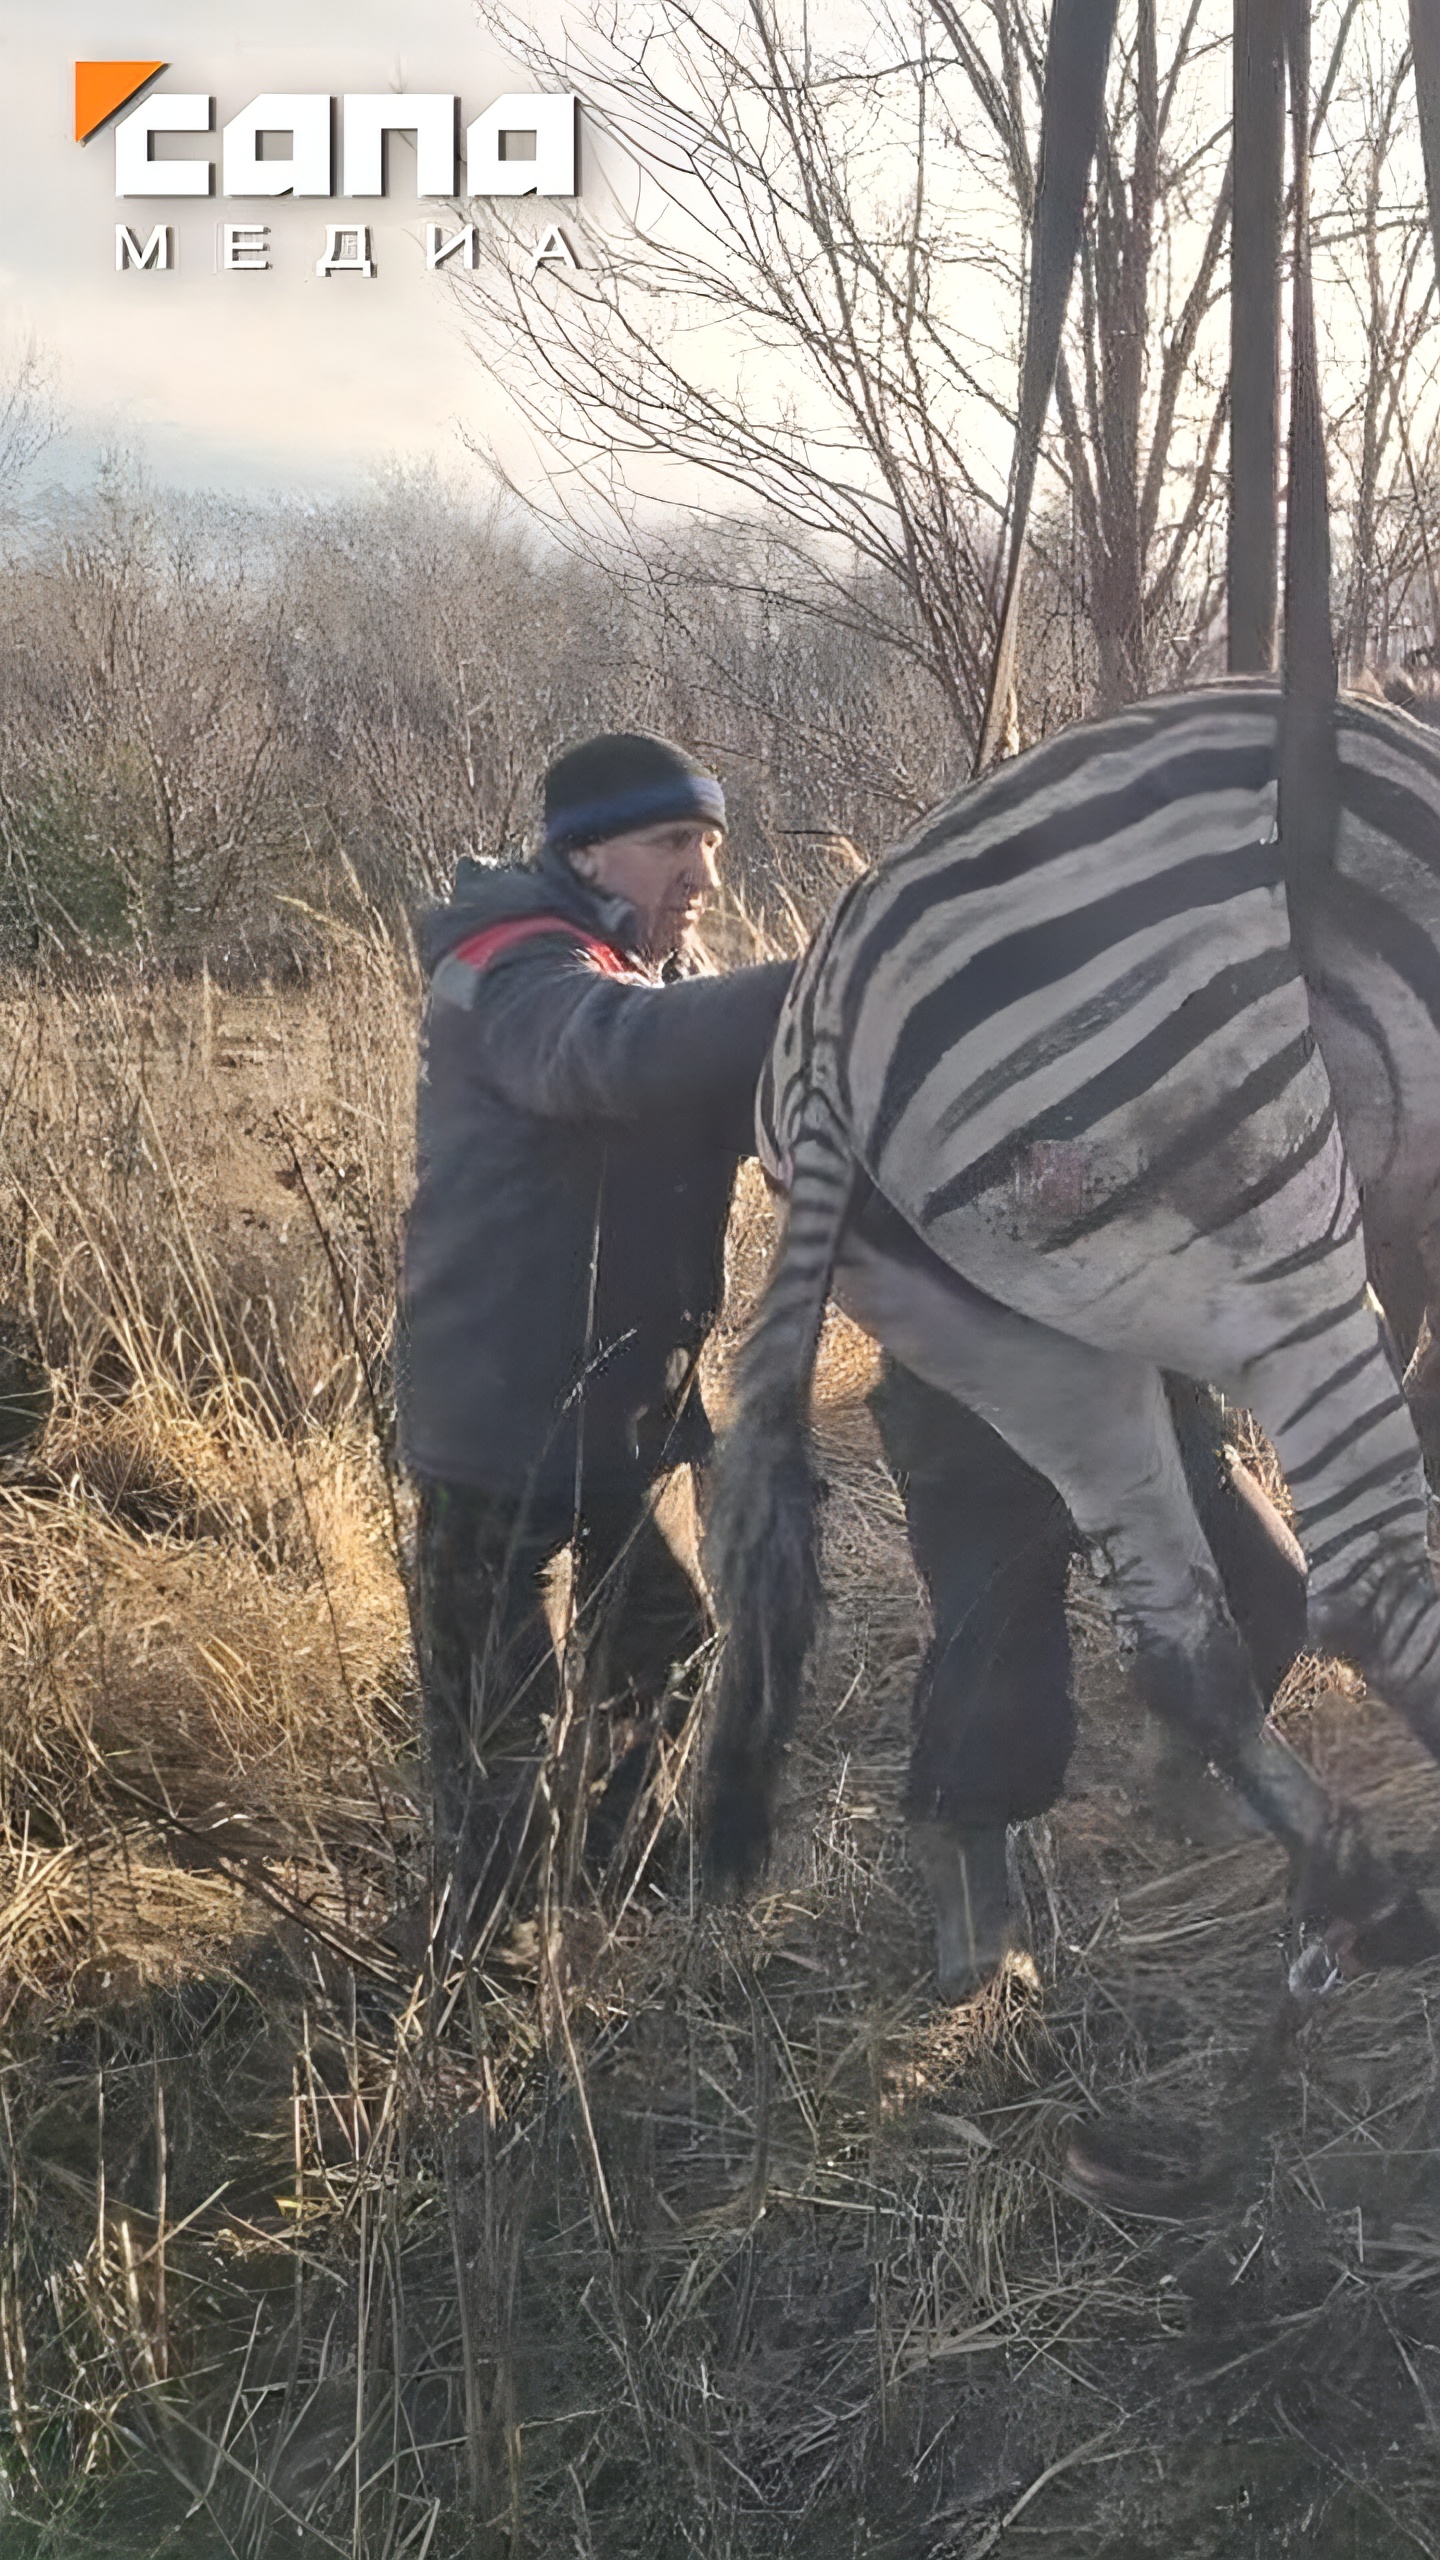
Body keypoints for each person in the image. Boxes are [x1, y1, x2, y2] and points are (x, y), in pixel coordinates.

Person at [399, 733, 792, 1948]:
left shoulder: (652, 975)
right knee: (501, 1720)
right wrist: (836, 978)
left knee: (667, 1646)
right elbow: (603, 1054)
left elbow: (750, 1102)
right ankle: (482, 1961)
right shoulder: (510, 967)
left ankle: (610, 1880)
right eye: (675, 843)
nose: (703, 876)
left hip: (628, 1416)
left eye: (711, 848)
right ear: (584, 851)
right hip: (501, 1429)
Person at [869, 1355, 1309, 1998]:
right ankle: (973, 1879)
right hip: (977, 1427)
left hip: (1146, 1400)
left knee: (1272, 1597)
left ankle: (1183, 1759)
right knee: (1000, 1667)